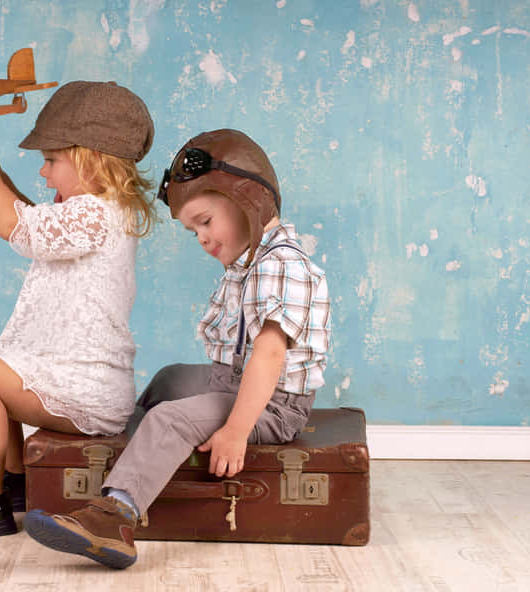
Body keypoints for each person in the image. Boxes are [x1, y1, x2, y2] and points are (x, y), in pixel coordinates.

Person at [24, 129, 331, 568]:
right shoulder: (255, 259)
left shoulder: (281, 265)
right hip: (235, 382)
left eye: (205, 221)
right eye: (194, 231)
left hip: (271, 403)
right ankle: (134, 455)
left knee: (170, 417)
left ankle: (116, 516)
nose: (202, 238)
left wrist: (235, 432)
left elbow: (269, 356)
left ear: (248, 199)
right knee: (169, 380)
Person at [0, 80, 156, 542]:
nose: (43, 172)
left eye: (51, 160)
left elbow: (15, 225)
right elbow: (34, 218)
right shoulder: (102, 210)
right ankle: (15, 482)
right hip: (87, 378)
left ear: (91, 159)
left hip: (87, 387)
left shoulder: (94, 215)